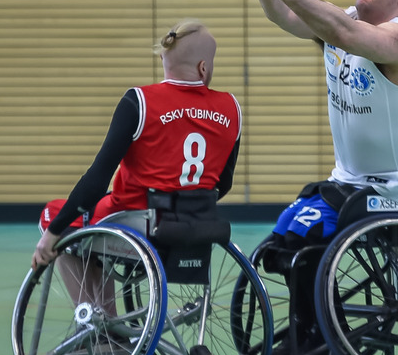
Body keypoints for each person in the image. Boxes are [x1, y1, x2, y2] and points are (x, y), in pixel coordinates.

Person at [243, 0, 398, 348]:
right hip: (348, 184)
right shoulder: (345, 21)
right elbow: (288, 18)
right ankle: (314, 330)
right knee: (287, 233)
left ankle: (319, 340)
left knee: (306, 236)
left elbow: (342, 31)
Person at [31, 20, 242, 276]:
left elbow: (97, 180)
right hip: (196, 221)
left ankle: (94, 311)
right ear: (203, 67)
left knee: (53, 214)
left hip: (137, 221)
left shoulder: (140, 101)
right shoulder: (231, 108)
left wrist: (53, 233)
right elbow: (224, 183)